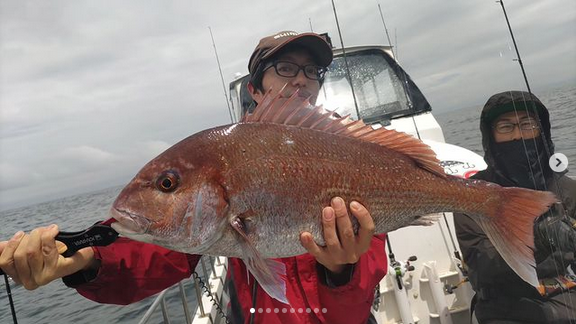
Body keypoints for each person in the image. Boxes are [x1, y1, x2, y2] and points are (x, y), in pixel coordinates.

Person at [0, 31, 388, 324]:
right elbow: (158, 249)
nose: (300, 79)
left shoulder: (350, 160)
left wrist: (343, 269)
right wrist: (88, 259)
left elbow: (356, 304)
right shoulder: (222, 159)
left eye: (311, 71)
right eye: (285, 68)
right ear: (254, 89)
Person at [454, 90, 576, 324]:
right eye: (506, 127)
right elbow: (483, 267)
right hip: (508, 307)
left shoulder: (567, 188)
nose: (518, 135)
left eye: (527, 123)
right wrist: (540, 237)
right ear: (491, 136)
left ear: (542, 130)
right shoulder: (471, 195)